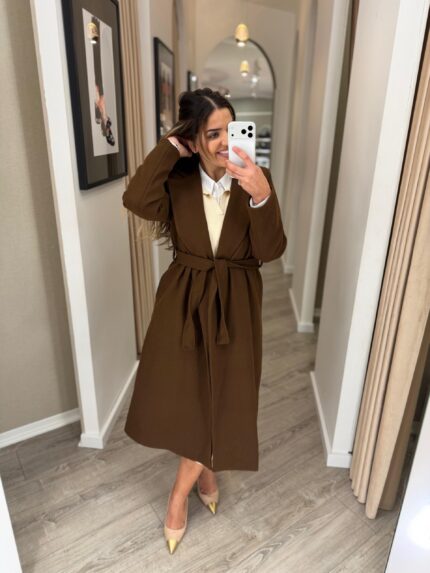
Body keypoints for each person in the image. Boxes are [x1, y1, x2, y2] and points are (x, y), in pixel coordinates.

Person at [122, 88, 287, 554]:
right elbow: (137, 199)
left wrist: (261, 195)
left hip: (236, 300)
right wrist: (169, 148)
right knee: (189, 395)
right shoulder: (176, 180)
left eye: (231, 130)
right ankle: (206, 469)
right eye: (212, 134)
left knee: (226, 395)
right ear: (193, 140)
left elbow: (271, 250)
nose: (224, 142)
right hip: (184, 298)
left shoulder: (256, 178)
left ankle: (178, 495)